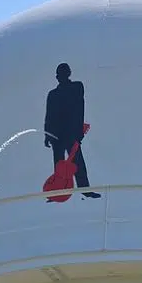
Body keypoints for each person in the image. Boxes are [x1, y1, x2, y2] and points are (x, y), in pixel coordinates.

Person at [44, 63, 100, 199]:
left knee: (78, 163)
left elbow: (80, 108)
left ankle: (85, 189)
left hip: (71, 133)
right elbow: (49, 115)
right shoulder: (52, 94)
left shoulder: (76, 87)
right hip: (56, 135)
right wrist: (47, 135)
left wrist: (79, 131)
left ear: (68, 74)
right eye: (59, 74)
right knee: (58, 164)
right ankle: (58, 192)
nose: (60, 77)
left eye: (63, 73)